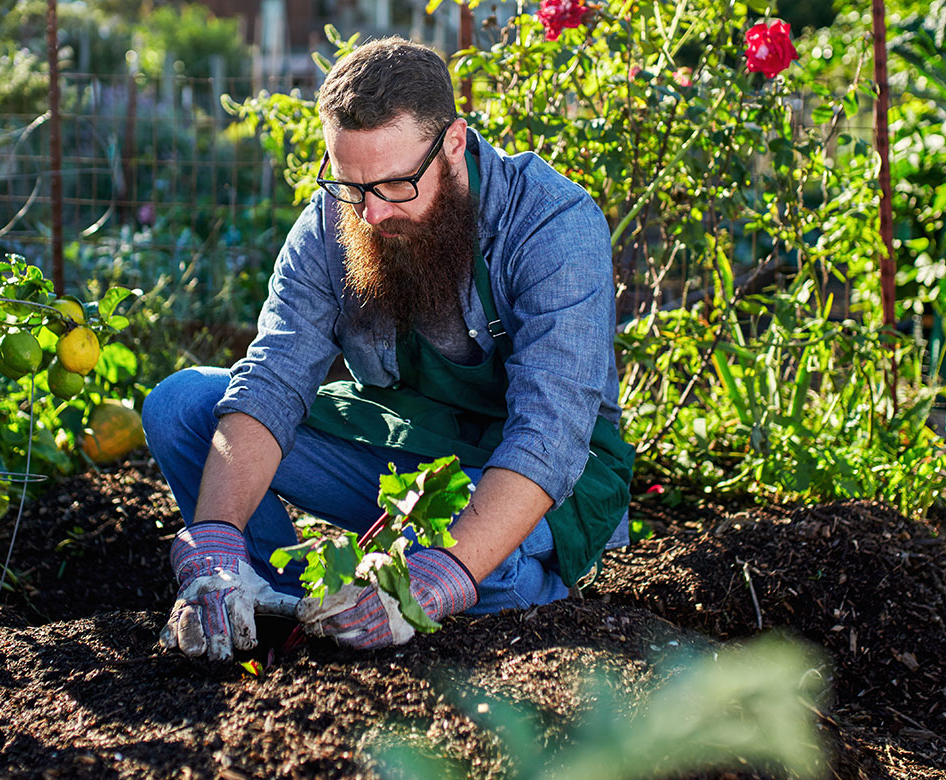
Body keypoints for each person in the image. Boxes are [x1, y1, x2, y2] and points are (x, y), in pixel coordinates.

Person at [142, 36, 634, 661]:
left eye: (397, 184)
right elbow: (273, 377)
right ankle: (287, 608)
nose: (371, 213)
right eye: (351, 184)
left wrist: (442, 576)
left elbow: (551, 431)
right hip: (409, 449)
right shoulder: (335, 219)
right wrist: (214, 537)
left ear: (453, 143)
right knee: (183, 405)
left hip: (540, 473)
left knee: (477, 571)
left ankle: (472, 587)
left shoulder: (550, 223)